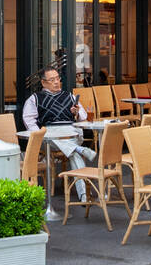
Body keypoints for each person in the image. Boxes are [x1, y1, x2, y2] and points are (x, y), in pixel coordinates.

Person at [22, 67, 96, 201]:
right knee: (73, 152)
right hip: (50, 137)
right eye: (52, 80)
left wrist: (76, 112)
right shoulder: (35, 99)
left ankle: (77, 148)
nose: (56, 82)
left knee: (70, 145)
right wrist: (40, 135)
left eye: (57, 79)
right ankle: (84, 195)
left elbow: (83, 118)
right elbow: (29, 120)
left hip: (71, 134)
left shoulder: (70, 96)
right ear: (44, 83)